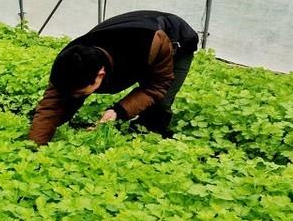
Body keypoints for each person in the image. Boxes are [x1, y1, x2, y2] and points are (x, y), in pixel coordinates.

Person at [27, 10, 198, 144]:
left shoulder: (149, 44)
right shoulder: (72, 58)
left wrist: (119, 111)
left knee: (159, 103)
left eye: (81, 92)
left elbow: (157, 86)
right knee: (63, 100)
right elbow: (53, 103)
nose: (76, 95)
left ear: (100, 75)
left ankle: (145, 141)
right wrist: (35, 146)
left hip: (175, 41)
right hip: (131, 30)